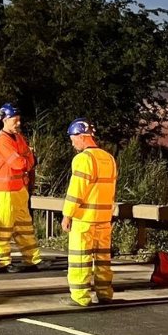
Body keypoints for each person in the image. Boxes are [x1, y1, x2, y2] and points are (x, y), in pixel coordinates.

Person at [60, 119, 117, 306]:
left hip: (84, 219)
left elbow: (76, 191)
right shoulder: (109, 158)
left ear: (81, 136)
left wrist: (67, 214)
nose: (72, 143)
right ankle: (105, 293)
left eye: (73, 139)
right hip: (104, 219)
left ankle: (81, 297)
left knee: (80, 259)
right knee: (103, 259)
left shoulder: (83, 159)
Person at [0, 103, 42, 273]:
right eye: (15, 120)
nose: (18, 123)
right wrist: (29, 160)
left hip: (19, 187)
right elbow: (20, 162)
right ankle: (3, 262)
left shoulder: (18, 137)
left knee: (24, 224)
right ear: (5, 120)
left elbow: (27, 156)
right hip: (5, 188)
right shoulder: (2, 140)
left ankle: (32, 259)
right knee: (4, 225)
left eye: (19, 120)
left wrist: (28, 159)